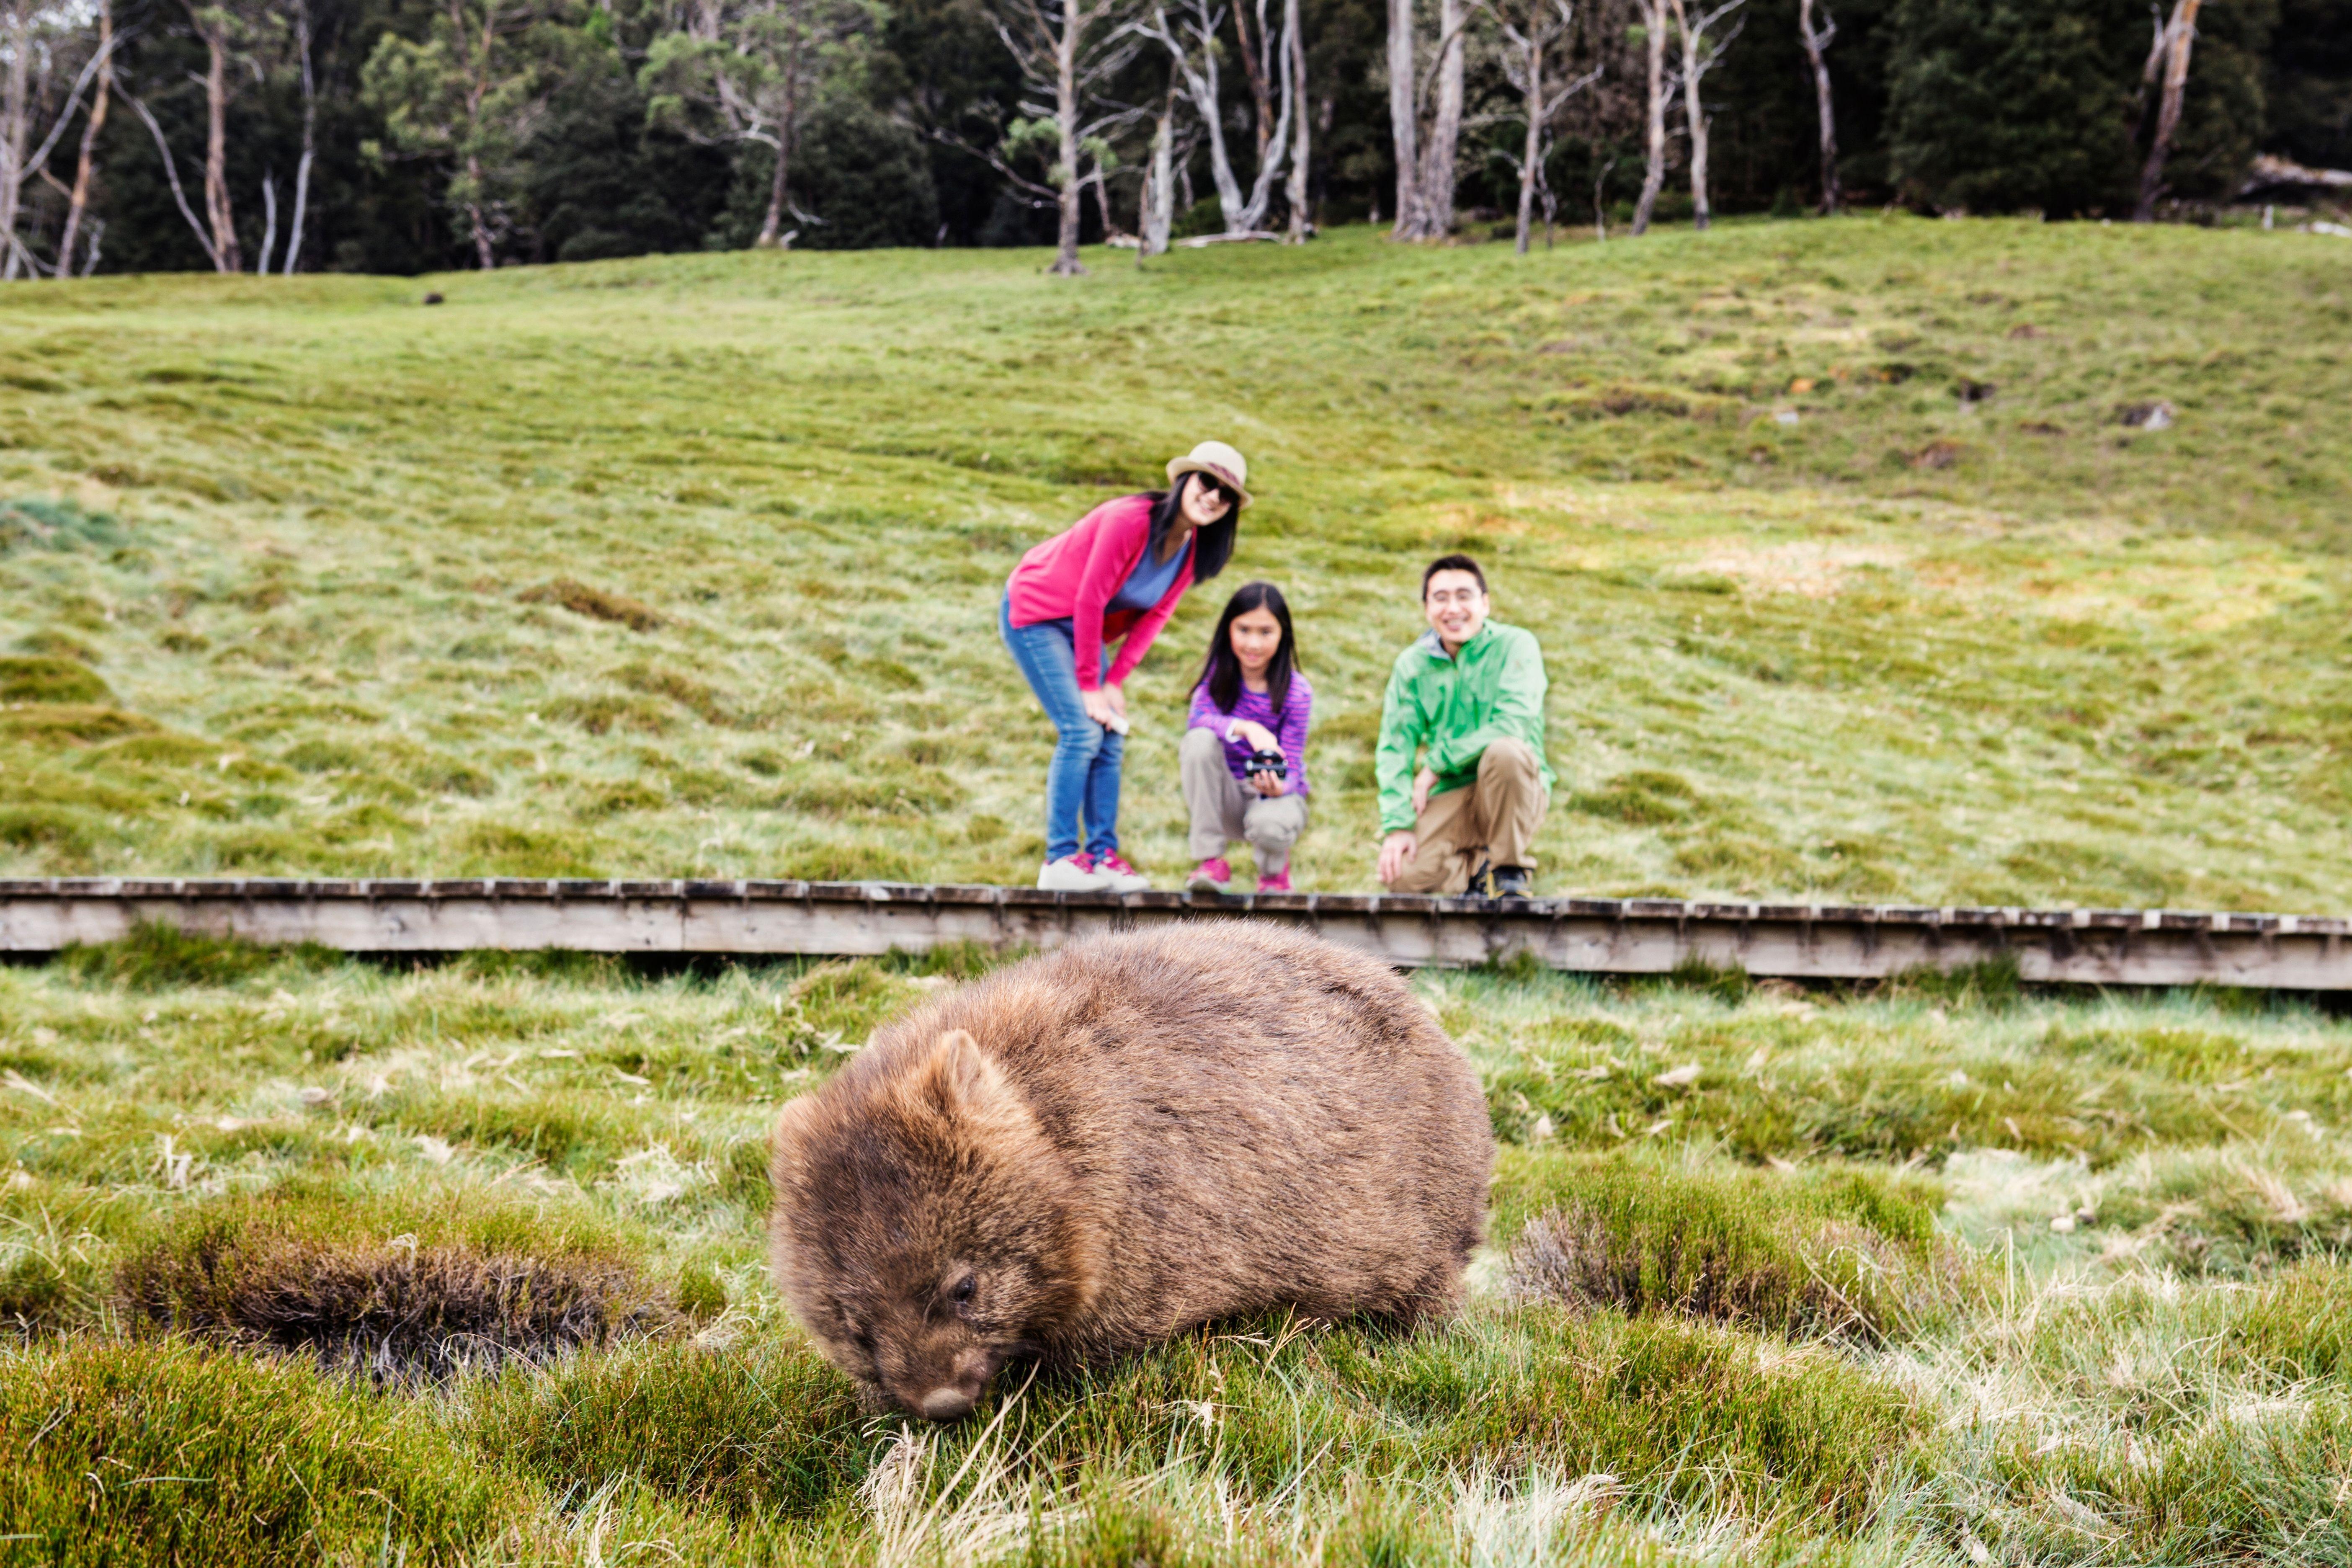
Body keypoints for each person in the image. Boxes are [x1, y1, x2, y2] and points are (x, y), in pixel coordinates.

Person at [1001, 441, 1249, 891]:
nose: (1214, 496)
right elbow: (1090, 597)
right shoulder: (1129, 519)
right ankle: (1059, 860)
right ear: (1185, 479)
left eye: (1227, 494)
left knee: (1112, 733)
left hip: (1082, 630)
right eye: (1207, 482)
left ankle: (1102, 857)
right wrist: (1089, 685)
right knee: (1082, 731)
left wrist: (1114, 681)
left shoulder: (1191, 550)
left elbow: (1155, 617)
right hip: (1038, 613)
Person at [1374, 553, 1553, 899]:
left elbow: (1512, 723)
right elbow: (1394, 746)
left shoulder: (1517, 645)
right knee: (1403, 875)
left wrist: (1436, 764)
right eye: (1441, 598)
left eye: (1464, 596)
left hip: (1512, 786)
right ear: (1427, 608)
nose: (1453, 608)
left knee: (1506, 752)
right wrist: (1398, 825)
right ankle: (1477, 871)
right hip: (1453, 792)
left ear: (1485, 603)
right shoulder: (1412, 665)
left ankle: (1509, 870)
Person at [1182, 583, 1312, 894]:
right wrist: (1247, 728)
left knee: (1270, 825)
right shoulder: (1217, 678)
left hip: (1273, 799)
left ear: (1282, 635)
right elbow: (1196, 720)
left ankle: (1274, 873)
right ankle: (1211, 861)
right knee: (1198, 741)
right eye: (1244, 630)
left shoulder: (1297, 692)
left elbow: (1293, 767)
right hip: (1224, 795)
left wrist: (1280, 787)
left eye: (1266, 632)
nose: (1254, 643)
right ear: (1229, 629)